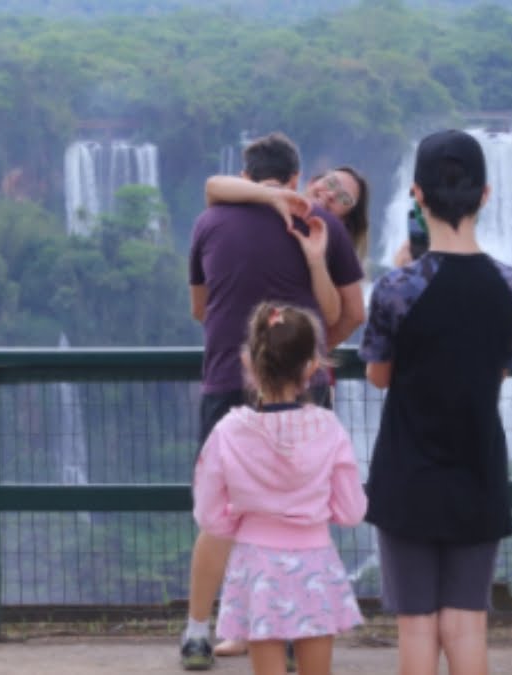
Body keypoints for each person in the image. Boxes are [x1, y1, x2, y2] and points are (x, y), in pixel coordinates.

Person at [182, 131, 364, 670]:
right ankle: (291, 622)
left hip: (224, 378)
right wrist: (306, 357)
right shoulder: (322, 224)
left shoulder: (208, 222)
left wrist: (260, 353)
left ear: (247, 172)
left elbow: (200, 308)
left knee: (221, 517)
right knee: (298, 507)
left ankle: (199, 629)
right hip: (305, 389)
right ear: (295, 178)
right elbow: (352, 311)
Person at [358, 129, 512, 675]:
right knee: (466, 624)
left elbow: (379, 377)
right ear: (484, 195)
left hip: (407, 474)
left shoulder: (396, 288)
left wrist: (403, 268)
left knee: (417, 625)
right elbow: (502, 367)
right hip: (478, 471)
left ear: (417, 195)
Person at [192, 301, 367, 675]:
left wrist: (243, 520)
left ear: (249, 364)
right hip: (316, 563)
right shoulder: (328, 428)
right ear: (312, 367)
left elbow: (210, 515)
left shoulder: (229, 432)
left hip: (256, 567)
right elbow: (352, 511)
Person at [205, 164, 369, 352]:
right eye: (331, 182)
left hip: (290, 365)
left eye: (344, 198)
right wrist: (274, 196)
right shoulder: (271, 210)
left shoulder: (332, 244)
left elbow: (352, 314)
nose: (331, 194)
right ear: (312, 182)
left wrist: (312, 350)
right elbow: (213, 185)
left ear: (344, 220)